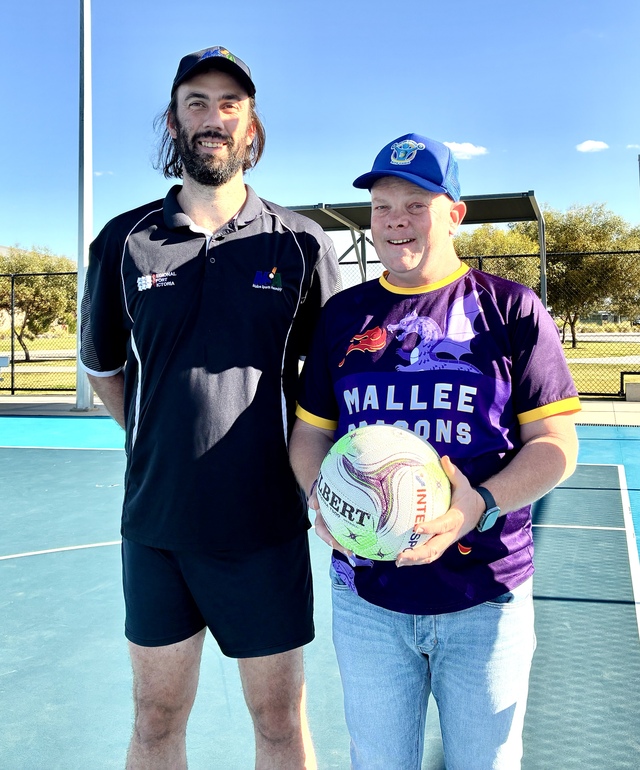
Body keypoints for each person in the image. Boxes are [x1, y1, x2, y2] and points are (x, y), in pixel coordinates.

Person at [79, 46, 340, 770]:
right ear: (174, 121)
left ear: (251, 127)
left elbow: (327, 387)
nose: (213, 117)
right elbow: (104, 366)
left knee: (279, 723)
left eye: (230, 104)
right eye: (197, 102)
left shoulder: (300, 243)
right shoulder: (123, 241)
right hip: (157, 527)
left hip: (263, 528)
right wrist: (157, 435)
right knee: (156, 718)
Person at [289, 133, 580, 770]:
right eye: (383, 204)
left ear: (454, 214)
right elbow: (311, 432)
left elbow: (557, 445)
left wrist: (481, 501)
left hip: (486, 594)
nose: (395, 219)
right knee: (378, 761)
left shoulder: (510, 309)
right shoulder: (343, 316)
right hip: (368, 597)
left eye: (416, 203)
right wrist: (322, 494)